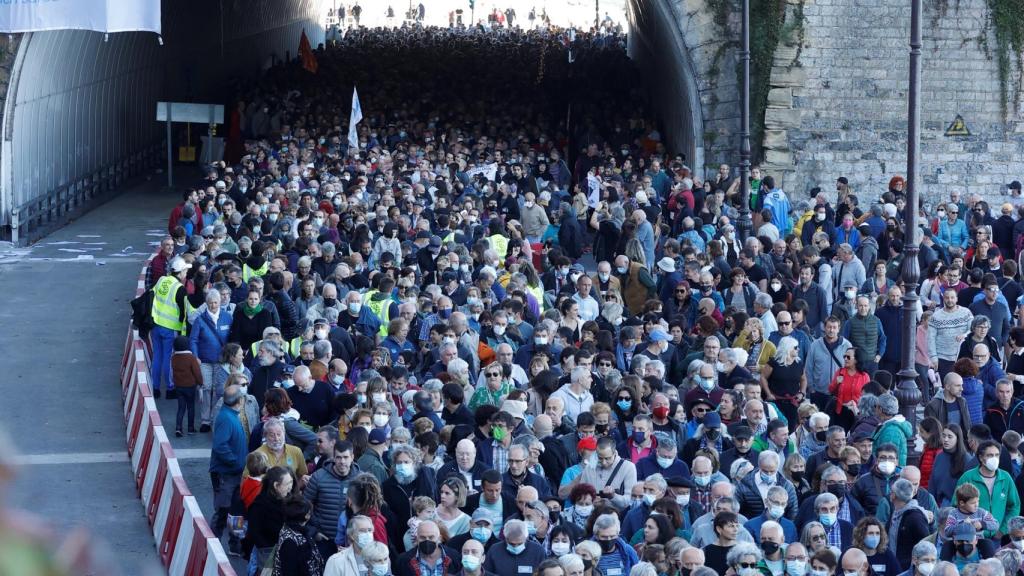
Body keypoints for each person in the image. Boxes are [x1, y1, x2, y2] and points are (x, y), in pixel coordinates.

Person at [955, 440, 1022, 537]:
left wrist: (1002, 530)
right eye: (990, 455)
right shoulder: (968, 477)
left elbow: (1014, 506)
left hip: (997, 537)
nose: (994, 458)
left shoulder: (1005, 478)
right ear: (981, 458)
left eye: (997, 455)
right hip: (972, 536)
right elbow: (956, 505)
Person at [210, 384, 248, 555]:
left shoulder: (230, 415)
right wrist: (235, 463)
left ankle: (234, 545)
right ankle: (212, 545)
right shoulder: (226, 418)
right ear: (239, 401)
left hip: (234, 474)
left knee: (236, 511)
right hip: (227, 474)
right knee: (223, 511)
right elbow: (220, 446)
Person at [150, 256, 193, 398]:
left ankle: (155, 388)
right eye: (185, 271)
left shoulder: (162, 280)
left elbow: (152, 296)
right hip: (170, 327)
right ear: (180, 272)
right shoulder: (180, 289)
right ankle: (169, 388)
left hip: (155, 324)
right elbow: (185, 312)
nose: (186, 274)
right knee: (168, 358)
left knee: (157, 356)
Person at [760, 336, 807, 432]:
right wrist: (768, 394)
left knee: (791, 428)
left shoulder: (798, 363)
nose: (798, 349)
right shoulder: (773, 363)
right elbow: (763, 377)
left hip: (792, 403)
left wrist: (802, 393)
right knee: (776, 428)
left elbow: (803, 379)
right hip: (776, 402)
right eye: (795, 347)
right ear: (787, 348)